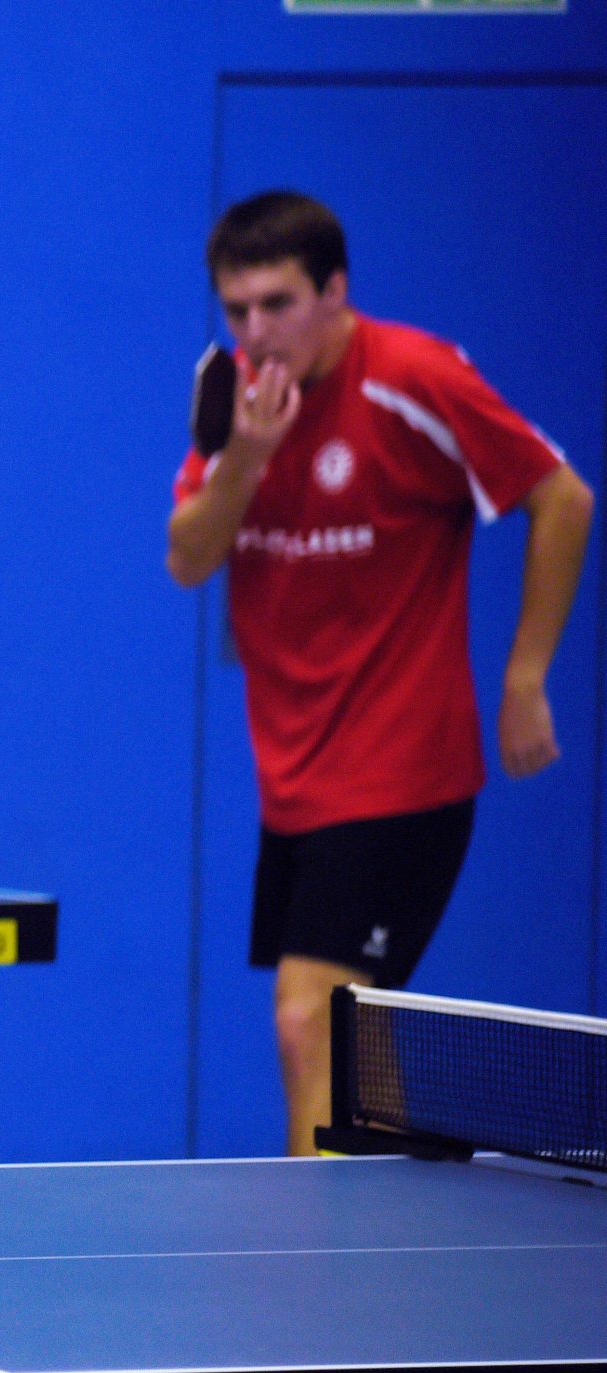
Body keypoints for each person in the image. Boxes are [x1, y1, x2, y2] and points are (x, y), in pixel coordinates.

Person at [167, 190, 593, 1154]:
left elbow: (563, 498)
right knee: (357, 1043)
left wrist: (525, 674)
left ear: (336, 291)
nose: (255, 332)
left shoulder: (412, 378)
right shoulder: (233, 400)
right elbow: (188, 556)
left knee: (307, 1017)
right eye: (236, 310)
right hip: (296, 785)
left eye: (277, 304)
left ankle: (314, 1241)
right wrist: (248, 457)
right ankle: (383, 1226)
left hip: (403, 774)